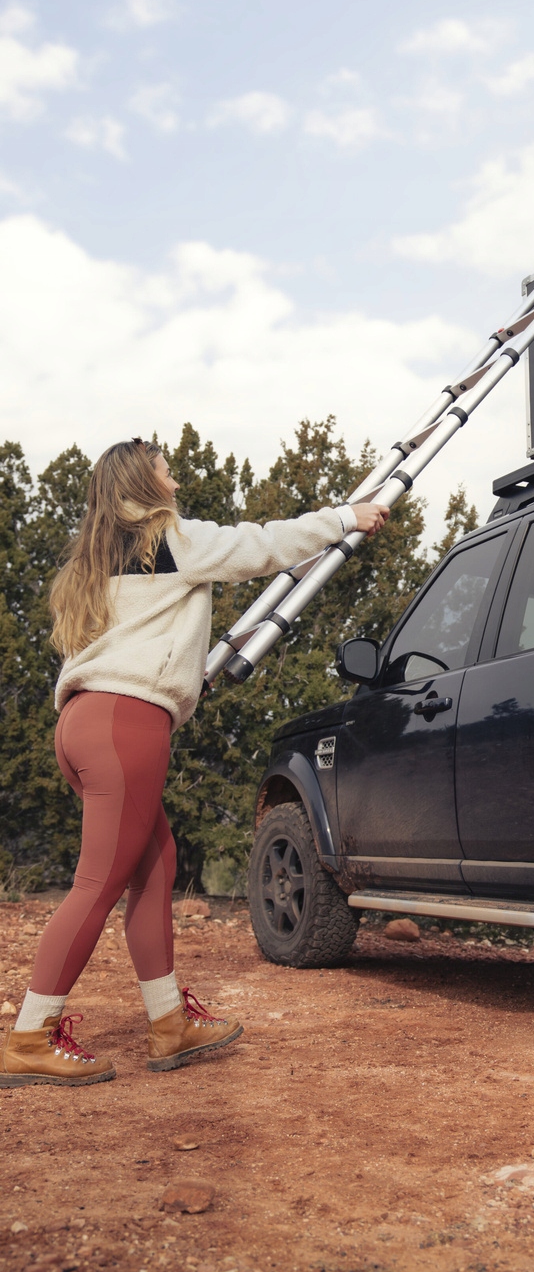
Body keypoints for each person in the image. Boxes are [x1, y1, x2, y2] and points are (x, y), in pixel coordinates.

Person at [0, 438, 389, 1087]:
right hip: (126, 727)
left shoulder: (98, 558)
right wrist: (347, 517)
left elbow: (138, 640)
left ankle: (168, 1023)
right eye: (166, 471)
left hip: (84, 724)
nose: (175, 482)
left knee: (156, 866)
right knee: (98, 883)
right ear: (144, 483)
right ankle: (29, 1037)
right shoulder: (170, 538)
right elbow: (262, 544)